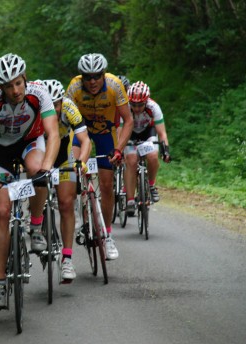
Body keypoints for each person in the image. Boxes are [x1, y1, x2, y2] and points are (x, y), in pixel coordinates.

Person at [0, 53, 60, 308]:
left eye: (18, 83)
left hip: (31, 142)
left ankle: (35, 225)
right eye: (8, 86)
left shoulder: (39, 94)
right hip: (0, 151)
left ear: (25, 79)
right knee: (1, 210)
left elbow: (53, 134)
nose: (15, 90)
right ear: (1, 87)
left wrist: (47, 166)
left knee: (37, 171)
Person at [65, 53, 134, 260]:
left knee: (106, 184)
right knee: (72, 170)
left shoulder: (114, 86)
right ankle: (79, 210)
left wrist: (119, 149)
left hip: (106, 133)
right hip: (80, 132)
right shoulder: (74, 87)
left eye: (97, 76)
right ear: (82, 77)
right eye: (87, 77)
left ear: (103, 74)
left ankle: (107, 235)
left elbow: (128, 121)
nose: (92, 81)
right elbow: (64, 117)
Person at [42, 79, 92, 282]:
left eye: (56, 104)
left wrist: (81, 161)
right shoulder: (34, 109)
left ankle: (67, 260)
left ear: (61, 101)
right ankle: (35, 219)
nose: (53, 110)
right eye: (49, 105)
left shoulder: (69, 108)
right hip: (40, 151)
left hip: (63, 153)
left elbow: (85, 140)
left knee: (65, 203)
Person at [122, 81, 171, 216]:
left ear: (146, 101)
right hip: (129, 133)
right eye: (134, 105)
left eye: (140, 105)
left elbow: (162, 133)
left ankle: (151, 185)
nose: (136, 108)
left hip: (147, 132)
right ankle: (130, 200)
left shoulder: (153, 107)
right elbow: (119, 132)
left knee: (153, 156)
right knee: (131, 160)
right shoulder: (125, 107)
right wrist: (118, 150)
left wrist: (165, 150)